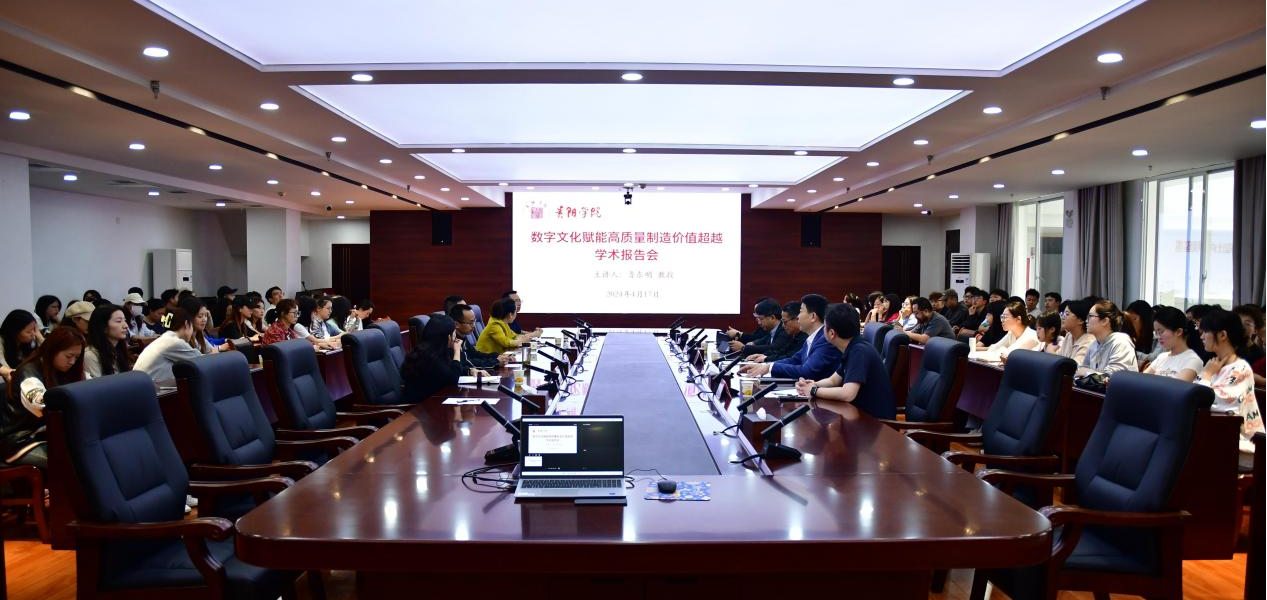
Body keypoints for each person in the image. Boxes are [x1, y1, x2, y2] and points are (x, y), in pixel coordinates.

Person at [2, 327, 87, 472]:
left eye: (77, 357)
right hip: (21, 442)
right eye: (69, 356)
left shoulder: (62, 370)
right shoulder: (28, 374)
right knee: (78, 464)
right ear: (53, 350)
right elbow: (44, 408)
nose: (72, 361)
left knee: (91, 453)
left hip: (49, 436)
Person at [794, 303, 896, 419]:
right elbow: (833, 380)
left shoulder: (859, 351)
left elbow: (848, 394)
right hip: (860, 417)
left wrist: (813, 390)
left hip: (875, 423)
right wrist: (812, 384)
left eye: (824, 327)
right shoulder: (852, 346)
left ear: (832, 333)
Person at [1192, 309, 1263, 470]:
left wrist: (1207, 375)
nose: (1201, 337)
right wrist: (1207, 375)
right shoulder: (1213, 364)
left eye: (1205, 332)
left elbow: (1215, 403)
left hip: (1239, 447)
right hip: (1215, 438)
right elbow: (1193, 395)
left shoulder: (1241, 368)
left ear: (1222, 335)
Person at [740, 294, 841, 380]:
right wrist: (766, 366)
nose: (798, 317)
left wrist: (770, 368)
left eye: (801, 311)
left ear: (813, 317)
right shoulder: (812, 338)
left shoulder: (825, 340)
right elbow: (794, 360)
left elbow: (807, 371)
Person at [400, 315, 464, 403]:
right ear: (448, 337)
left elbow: (450, 369)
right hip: (423, 407)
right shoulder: (430, 359)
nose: (455, 337)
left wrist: (470, 370)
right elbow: (453, 379)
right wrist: (457, 351)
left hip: (435, 401)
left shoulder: (431, 351)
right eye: (454, 334)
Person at [132, 308, 205, 382]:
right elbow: (201, 361)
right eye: (192, 326)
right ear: (186, 324)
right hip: (152, 387)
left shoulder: (167, 338)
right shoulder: (174, 342)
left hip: (144, 384)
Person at [1079, 300, 1139, 377]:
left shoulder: (1121, 342)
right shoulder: (1093, 344)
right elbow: (1081, 371)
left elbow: (1112, 377)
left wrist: (1086, 372)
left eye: (1090, 316)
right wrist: (1085, 372)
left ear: (1105, 321)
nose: (1086, 320)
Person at [1142, 306, 1202, 383]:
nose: (1158, 337)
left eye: (1161, 332)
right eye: (1156, 332)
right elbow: (1141, 380)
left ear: (1179, 332)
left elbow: (1177, 388)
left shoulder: (1193, 360)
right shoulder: (1162, 357)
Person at [449, 304, 509, 371]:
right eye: (470, 323)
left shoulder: (463, 337)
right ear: (456, 324)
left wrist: (497, 356)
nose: (474, 326)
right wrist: (495, 361)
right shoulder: (452, 341)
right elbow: (468, 362)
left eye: (474, 321)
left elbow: (475, 354)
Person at [83, 304, 131, 378]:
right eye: (119, 321)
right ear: (103, 326)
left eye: (125, 320)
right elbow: (98, 384)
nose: (126, 326)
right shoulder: (90, 355)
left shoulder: (118, 350)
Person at [1, 310, 43, 382]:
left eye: (34, 329)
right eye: (28, 331)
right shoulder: (2, 341)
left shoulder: (28, 341)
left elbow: (49, 353)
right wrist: (9, 372)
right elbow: (2, 366)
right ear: (14, 331)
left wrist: (39, 336)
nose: (33, 334)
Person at [1232, 304, 1265, 386]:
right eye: (1238, 322)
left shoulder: (1258, 355)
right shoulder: (1227, 348)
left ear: (1255, 330)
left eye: (1247, 324)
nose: (1242, 327)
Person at [1056, 299, 1096, 364]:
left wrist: (1050, 350)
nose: (1062, 317)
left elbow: (1075, 367)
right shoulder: (1069, 335)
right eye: (1063, 313)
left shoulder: (1089, 341)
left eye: (1067, 314)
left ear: (1080, 320)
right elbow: (1057, 358)